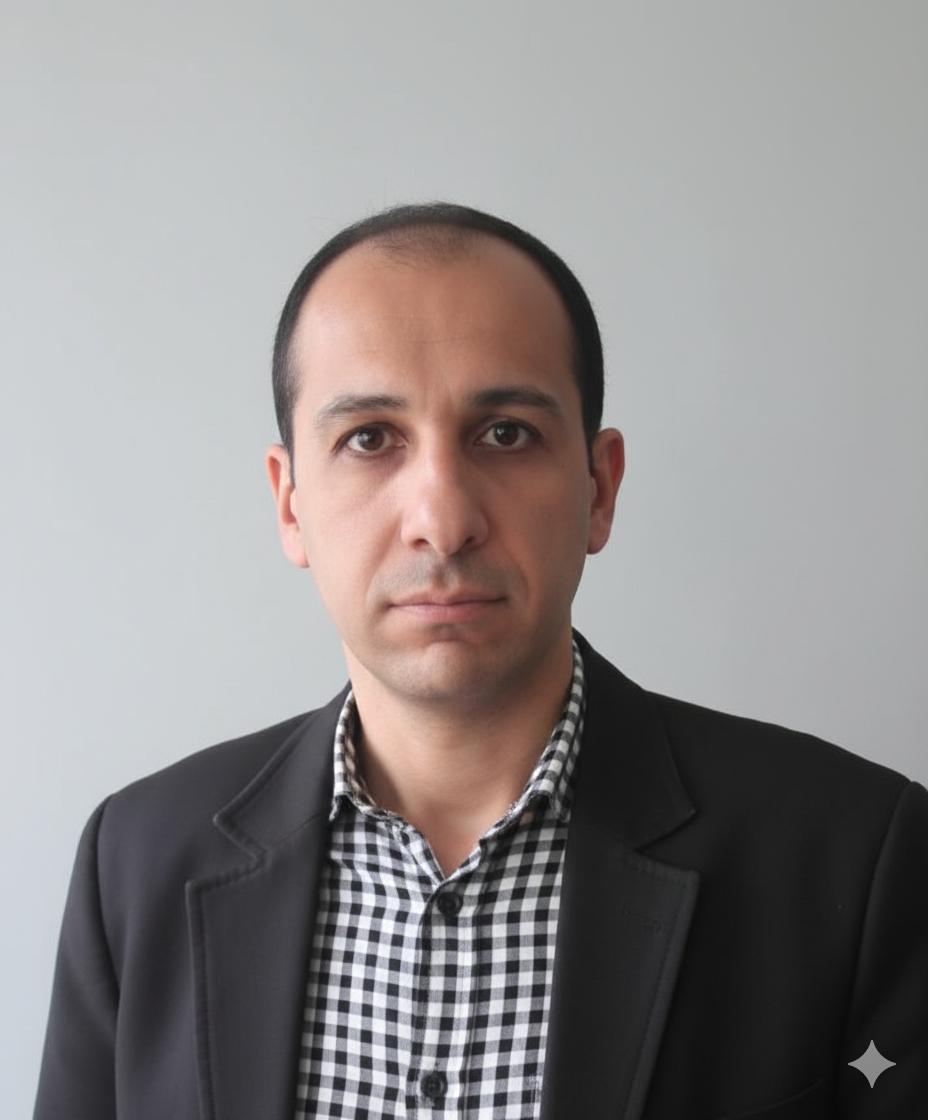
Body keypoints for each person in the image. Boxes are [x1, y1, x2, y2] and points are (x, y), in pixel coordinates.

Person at [34, 202, 927, 1120]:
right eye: (369, 438)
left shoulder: (856, 858)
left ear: (599, 488)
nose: (443, 519)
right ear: (290, 503)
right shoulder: (133, 866)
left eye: (505, 433)